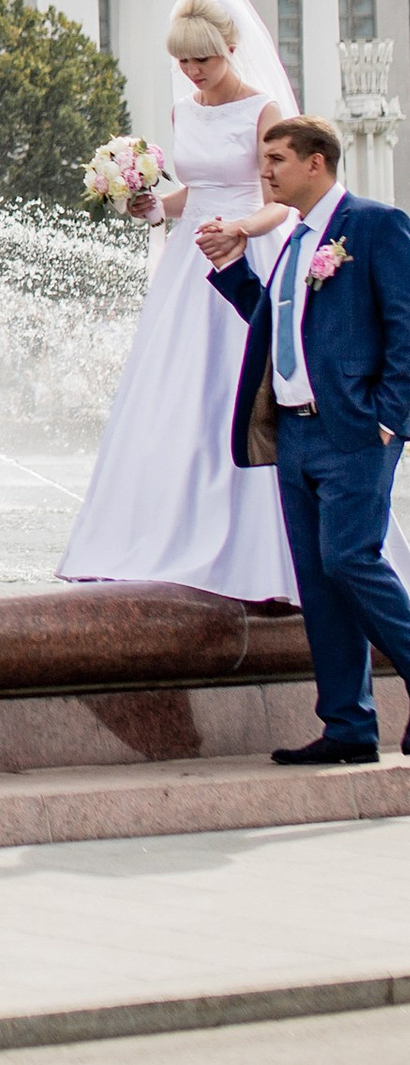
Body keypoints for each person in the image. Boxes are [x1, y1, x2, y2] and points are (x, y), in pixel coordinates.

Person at [58, 0, 300, 595]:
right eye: (184, 62)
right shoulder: (183, 110)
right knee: (176, 388)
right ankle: (168, 526)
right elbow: (191, 193)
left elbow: (282, 205)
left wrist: (242, 230)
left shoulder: (265, 111)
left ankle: (261, 542)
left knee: (241, 387)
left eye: (204, 60)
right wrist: (148, 205)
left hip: (245, 251)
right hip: (189, 259)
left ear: (232, 49)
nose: (193, 72)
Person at [205, 116, 410, 762]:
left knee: (352, 558)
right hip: (294, 436)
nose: (263, 170)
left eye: (275, 159)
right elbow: (274, 327)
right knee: (320, 581)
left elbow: (407, 324)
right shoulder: (294, 242)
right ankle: (348, 729)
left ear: (315, 162)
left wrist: (389, 416)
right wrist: (234, 268)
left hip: (354, 429)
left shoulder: (376, 225)